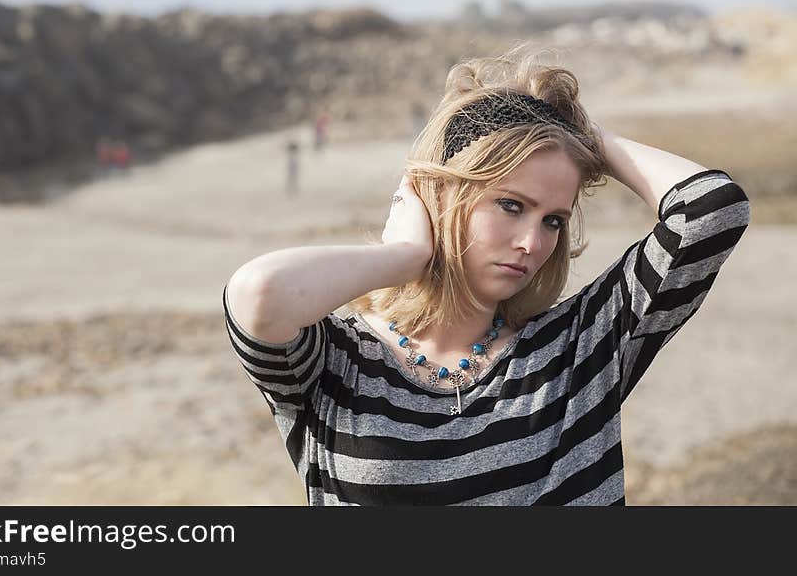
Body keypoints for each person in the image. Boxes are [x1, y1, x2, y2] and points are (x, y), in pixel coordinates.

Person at [222, 45, 751, 505]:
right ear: (442, 196)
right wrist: (406, 253)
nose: (533, 243)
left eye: (553, 220)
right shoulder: (336, 363)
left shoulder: (582, 348)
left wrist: (578, 128)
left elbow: (711, 210)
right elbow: (259, 296)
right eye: (510, 205)